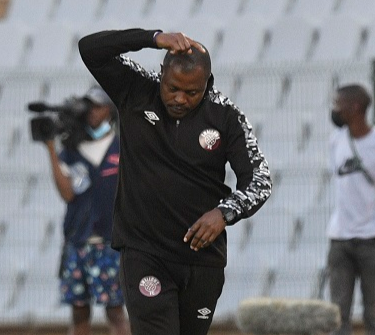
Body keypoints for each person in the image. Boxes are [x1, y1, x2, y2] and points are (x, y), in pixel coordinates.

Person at [78, 29, 272, 335]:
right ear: (162, 74)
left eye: (191, 92)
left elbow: (260, 181)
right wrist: (152, 37)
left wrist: (224, 213)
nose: (179, 98)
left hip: (202, 261)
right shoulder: (136, 89)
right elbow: (90, 48)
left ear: (206, 84)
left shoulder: (226, 116)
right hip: (144, 252)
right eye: (172, 88)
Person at [44, 86, 130, 335]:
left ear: (110, 110)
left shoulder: (121, 148)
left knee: (115, 311)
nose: (93, 112)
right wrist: (51, 148)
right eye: (89, 107)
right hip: (78, 240)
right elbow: (68, 193)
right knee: (79, 313)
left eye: (99, 106)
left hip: (110, 242)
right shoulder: (72, 151)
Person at [328, 84, 375, 335]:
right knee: (338, 315)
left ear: (355, 107)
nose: (334, 109)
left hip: (371, 239)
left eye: (339, 104)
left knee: (374, 312)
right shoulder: (336, 140)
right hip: (340, 239)